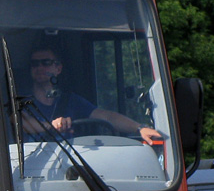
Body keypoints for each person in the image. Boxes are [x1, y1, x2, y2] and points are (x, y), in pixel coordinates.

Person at [23, 44, 162, 143]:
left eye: (46, 62)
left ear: (58, 68)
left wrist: (139, 128)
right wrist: (53, 125)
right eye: (35, 64)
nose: (40, 67)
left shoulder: (70, 100)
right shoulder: (20, 100)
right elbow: (23, 123)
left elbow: (107, 117)